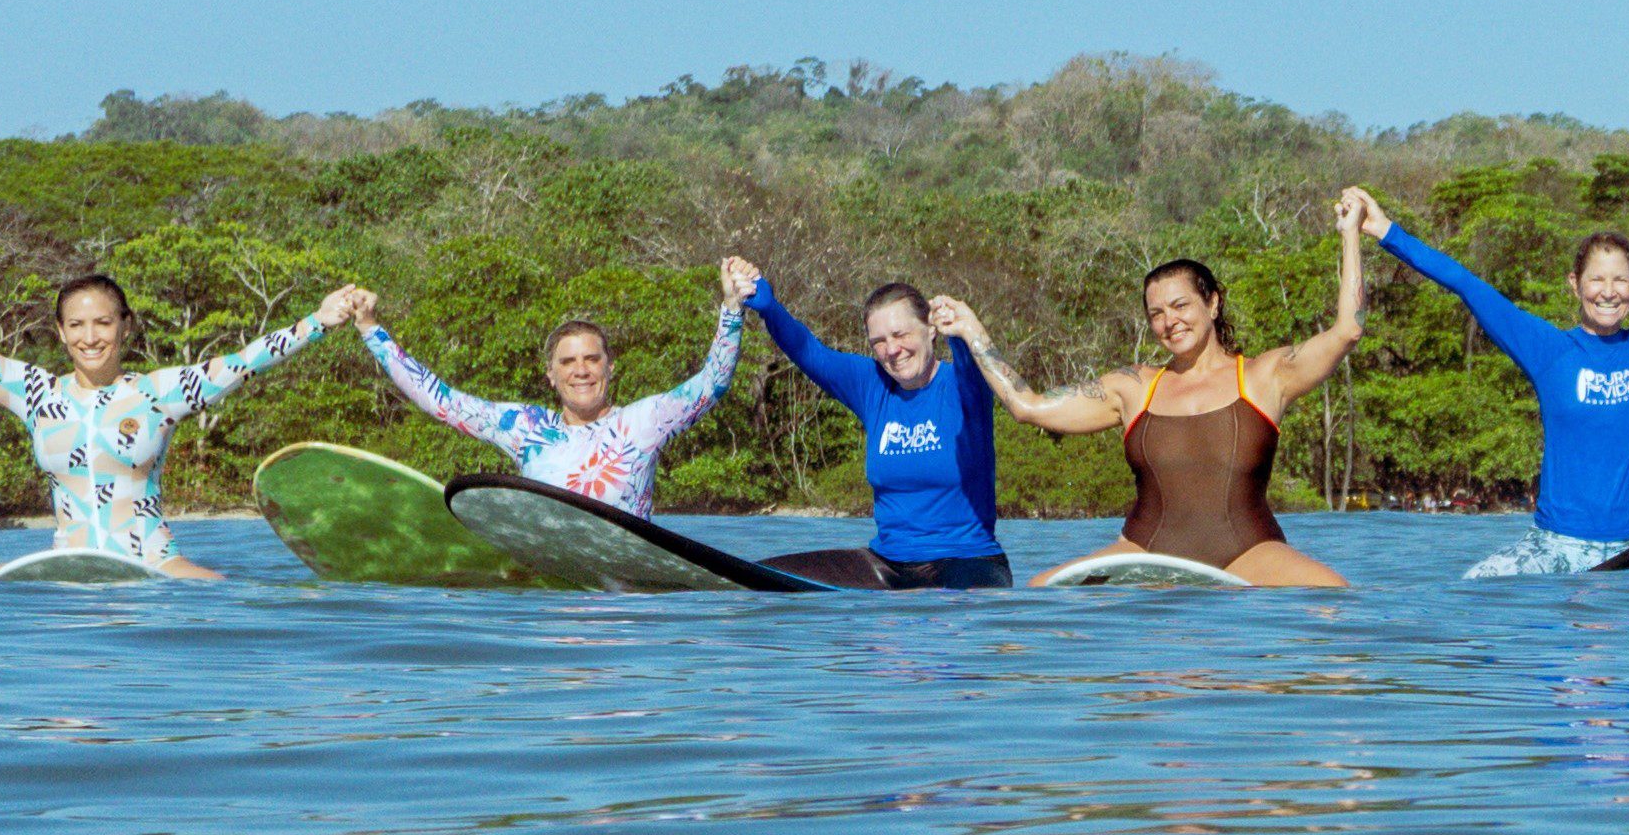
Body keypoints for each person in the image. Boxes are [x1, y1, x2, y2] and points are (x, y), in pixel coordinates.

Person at [1349, 152, 1629, 577]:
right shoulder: (1548, 350)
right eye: (1597, 279)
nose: (1608, 292)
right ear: (1575, 285)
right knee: (1474, 584)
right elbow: (1465, 283)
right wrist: (1386, 231)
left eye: (1620, 280)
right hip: (1555, 548)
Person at [934, 195, 1367, 588]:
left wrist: (1350, 235)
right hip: (1143, 553)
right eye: (1156, 313)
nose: (1169, 322)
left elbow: (1347, 331)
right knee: (1038, 595)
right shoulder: (1133, 387)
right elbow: (1027, 406)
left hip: (1248, 554)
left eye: (1180, 306)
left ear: (1213, 303)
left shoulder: (1264, 376)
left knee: (1335, 600)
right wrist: (973, 331)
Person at [0, 257, 357, 578]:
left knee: (229, 592)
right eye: (77, 325)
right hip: (67, 564)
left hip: (153, 564)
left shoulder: (160, 392)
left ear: (125, 325)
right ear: (61, 334)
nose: (90, 337)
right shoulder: (36, 393)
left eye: (103, 322)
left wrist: (318, 321)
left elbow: (246, 361)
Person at [347, 260, 748, 519]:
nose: (582, 371)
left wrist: (732, 307)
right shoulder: (524, 427)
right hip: (549, 608)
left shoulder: (645, 421)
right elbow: (440, 400)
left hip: (625, 610)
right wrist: (369, 328)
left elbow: (712, 383)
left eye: (592, 359)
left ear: (610, 367)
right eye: (568, 362)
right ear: (551, 376)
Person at [739, 259, 1010, 589]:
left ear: (931, 329)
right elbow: (809, 351)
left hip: (969, 563)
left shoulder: (966, 386)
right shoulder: (873, 385)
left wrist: (959, 330)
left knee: (950, 613)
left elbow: (974, 360)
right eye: (878, 341)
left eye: (900, 334)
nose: (892, 349)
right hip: (888, 565)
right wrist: (767, 306)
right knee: (756, 581)